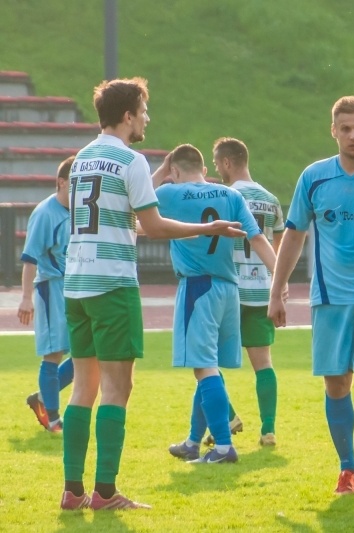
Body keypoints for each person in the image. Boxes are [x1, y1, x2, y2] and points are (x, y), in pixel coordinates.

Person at [61, 77, 245, 511]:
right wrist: (208, 227)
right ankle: (105, 493)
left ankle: (72, 492)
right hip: (112, 284)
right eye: (144, 110)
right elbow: (156, 226)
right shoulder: (130, 160)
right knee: (117, 388)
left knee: (81, 390)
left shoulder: (83, 158)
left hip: (77, 282)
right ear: (128, 115)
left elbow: (127, 220)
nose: (147, 118)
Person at [268, 96, 354, 499]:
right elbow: (293, 234)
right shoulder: (315, 177)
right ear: (334, 131)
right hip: (329, 299)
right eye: (346, 128)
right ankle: (348, 469)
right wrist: (277, 291)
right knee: (336, 384)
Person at [156, 144, 278, 464]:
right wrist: (278, 277)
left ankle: (223, 446)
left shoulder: (171, 193)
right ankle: (194, 441)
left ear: (176, 170)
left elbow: (136, 196)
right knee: (210, 365)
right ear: (204, 170)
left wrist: (163, 170)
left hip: (198, 286)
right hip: (229, 288)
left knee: (203, 367)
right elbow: (258, 239)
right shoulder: (230, 195)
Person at [211, 136, 284, 447]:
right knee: (263, 362)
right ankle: (268, 429)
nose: (216, 169)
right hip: (262, 290)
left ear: (227, 162)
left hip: (230, 287)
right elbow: (277, 248)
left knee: (206, 361)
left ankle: (227, 418)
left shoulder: (225, 196)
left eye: (217, 164)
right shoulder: (271, 200)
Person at [18, 156, 76, 433]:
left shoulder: (80, 210)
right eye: (74, 184)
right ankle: (53, 417)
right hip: (51, 288)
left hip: (76, 287)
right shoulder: (45, 213)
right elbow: (30, 259)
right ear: (61, 182)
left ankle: (42, 397)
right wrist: (26, 297)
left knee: (88, 353)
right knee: (53, 352)